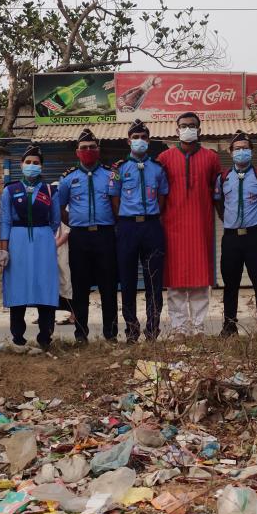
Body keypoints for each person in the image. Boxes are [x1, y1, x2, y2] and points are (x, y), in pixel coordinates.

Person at [157, 112, 220, 335]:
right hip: (172, 227)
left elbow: (218, 190)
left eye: (192, 125)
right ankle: (179, 328)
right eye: (183, 126)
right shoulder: (164, 158)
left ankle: (199, 327)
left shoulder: (211, 158)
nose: (187, 129)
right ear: (176, 130)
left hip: (201, 227)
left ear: (199, 130)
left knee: (200, 281)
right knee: (175, 281)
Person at [109, 120, 169, 343]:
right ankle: (131, 331)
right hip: (128, 227)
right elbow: (115, 199)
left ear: (149, 140)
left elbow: (162, 197)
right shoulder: (119, 169)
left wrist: (152, 217)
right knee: (128, 281)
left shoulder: (158, 168)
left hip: (151, 226)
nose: (140, 141)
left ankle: (152, 330)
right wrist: (125, 219)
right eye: (136, 137)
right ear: (128, 141)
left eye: (143, 137)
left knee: (154, 280)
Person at [0, 145, 60, 351]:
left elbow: (55, 220)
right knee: (18, 286)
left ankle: (45, 337)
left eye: (36, 163)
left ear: (42, 166)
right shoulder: (10, 190)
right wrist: (4, 248)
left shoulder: (50, 191)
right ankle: (18, 338)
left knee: (45, 286)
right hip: (17, 241)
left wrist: (42, 235)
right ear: (21, 164)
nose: (32, 166)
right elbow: (5, 220)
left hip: (43, 241)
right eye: (28, 162)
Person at [57, 129, 119, 343]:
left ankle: (110, 334)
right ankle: (81, 335)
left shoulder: (110, 174)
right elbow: (60, 208)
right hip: (79, 238)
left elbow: (116, 205)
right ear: (77, 152)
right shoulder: (68, 178)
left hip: (105, 236)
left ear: (98, 150)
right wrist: (76, 223)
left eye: (92, 147)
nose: (88, 150)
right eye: (84, 148)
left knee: (108, 286)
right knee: (80, 287)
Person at [214, 131, 257, 336]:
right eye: (237, 149)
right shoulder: (223, 178)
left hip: (255, 237)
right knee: (230, 284)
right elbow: (218, 202)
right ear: (231, 152)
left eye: (245, 149)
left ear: (252, 151)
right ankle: (229, 327)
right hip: (231, 238)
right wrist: (224, 217)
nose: (241, 152)